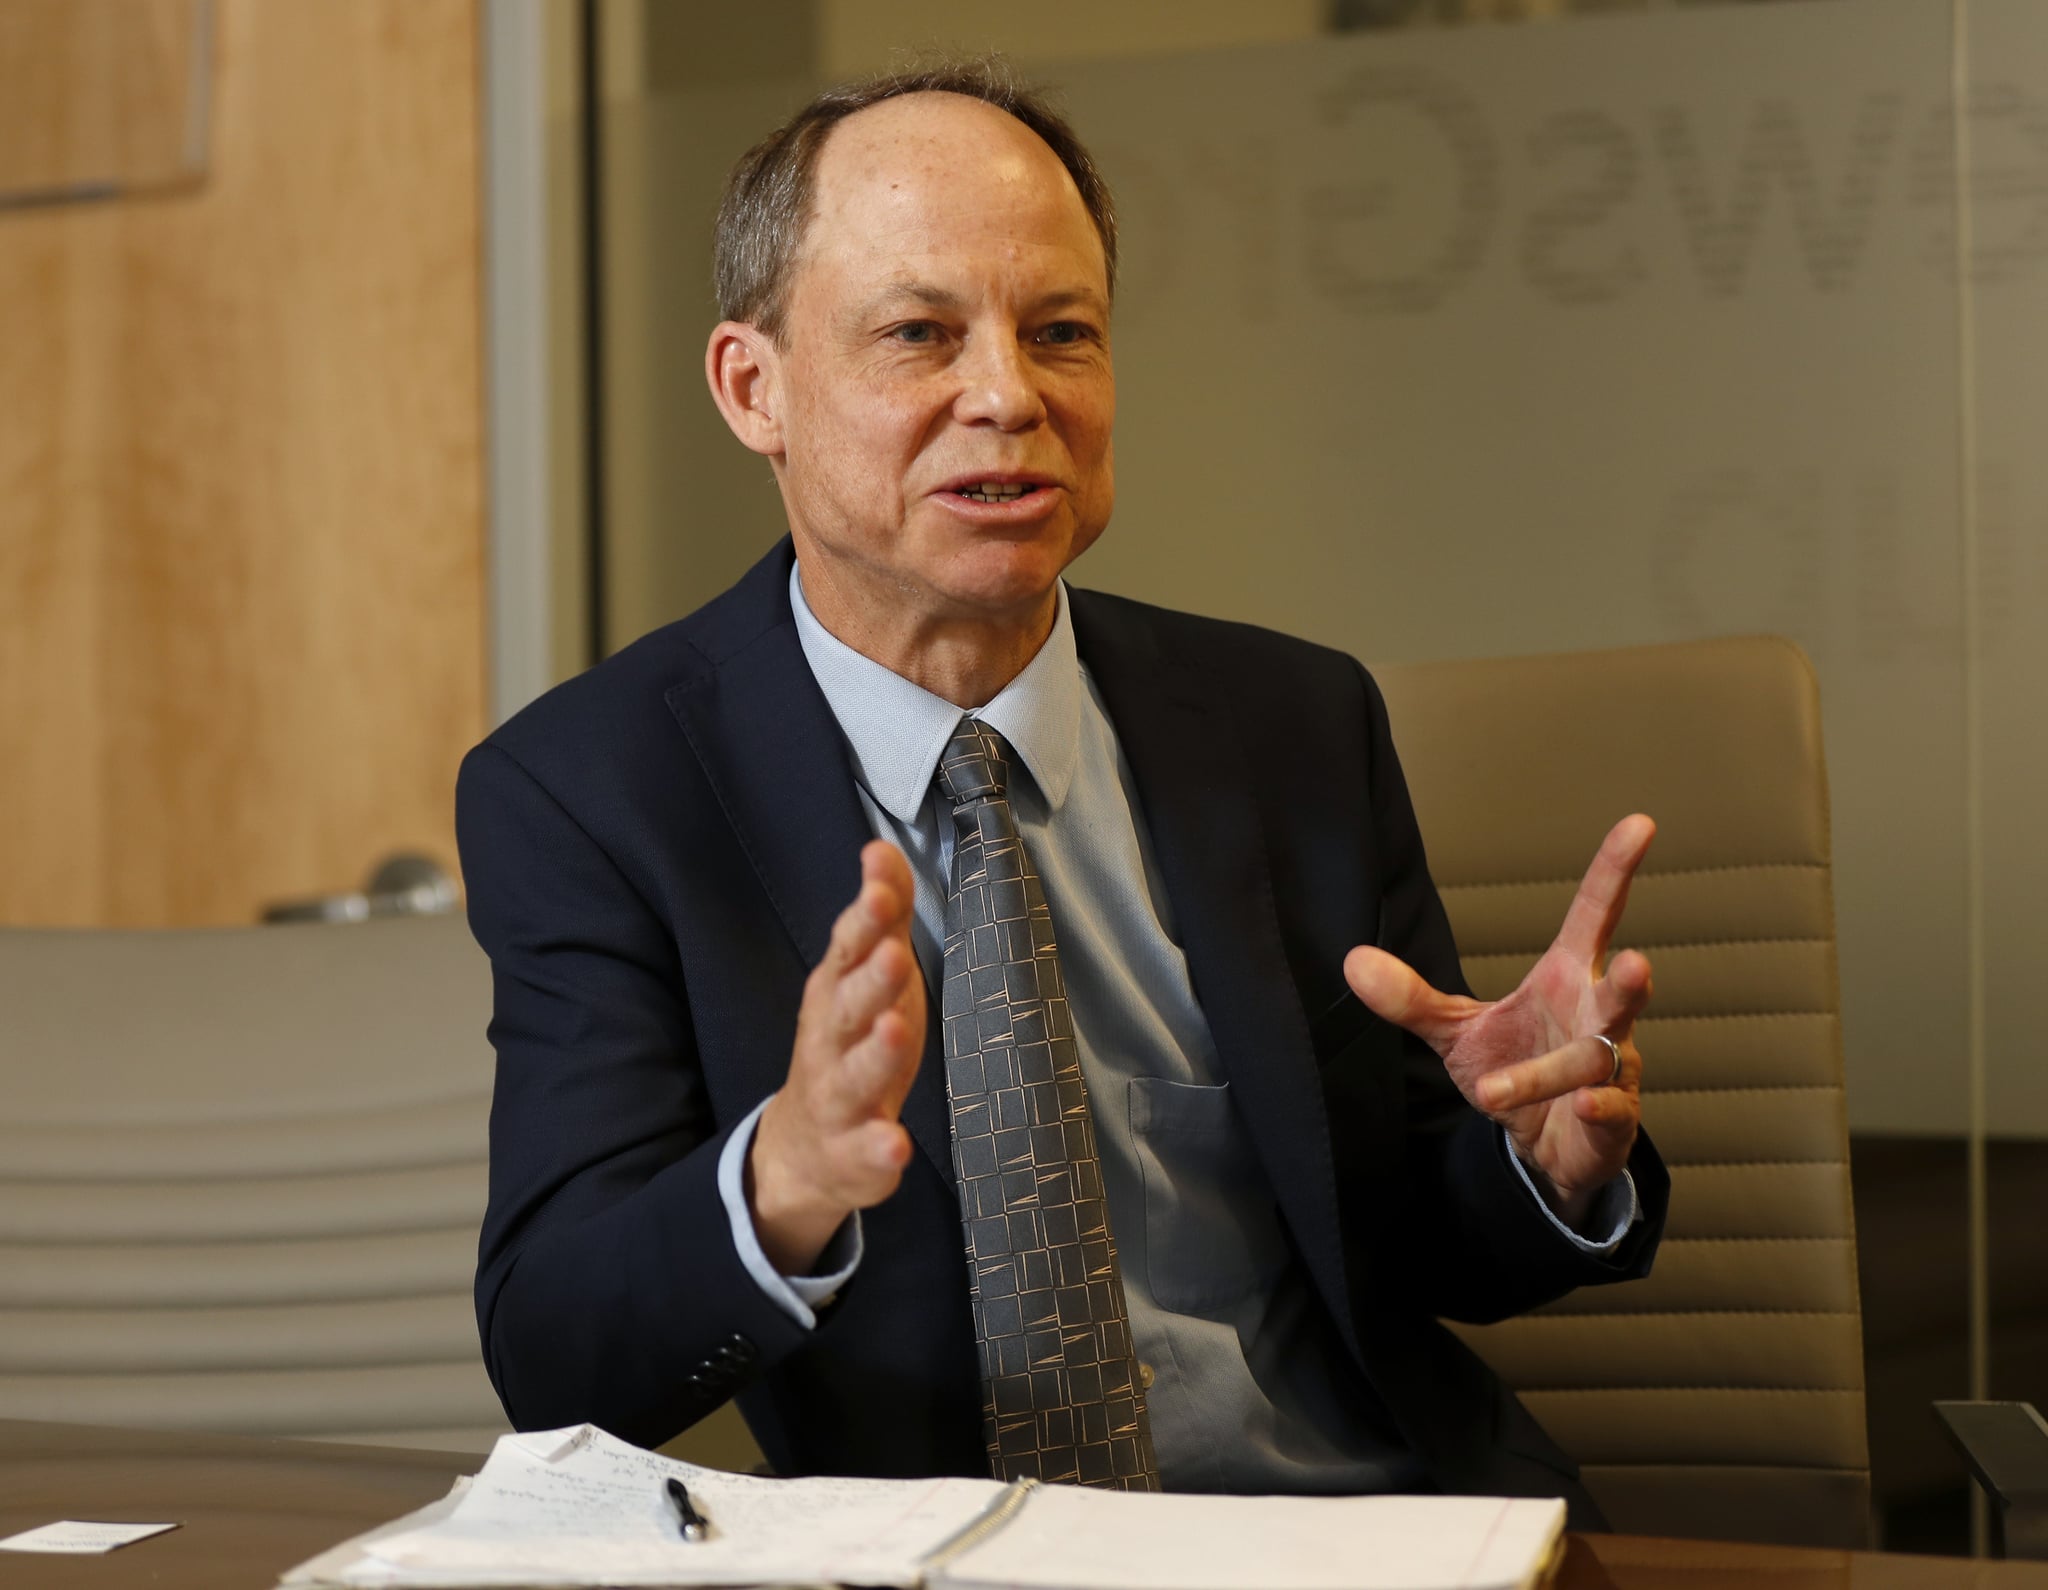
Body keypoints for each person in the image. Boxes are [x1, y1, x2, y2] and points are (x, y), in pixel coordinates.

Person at [457, 59, 1667, 1523]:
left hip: (1358, 1534)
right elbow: (557, 1356)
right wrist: (780, 1178)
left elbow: (1414, 1236)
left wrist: (1540, 1160)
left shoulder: (1293, 722)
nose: (1008, 395)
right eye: (919, 333)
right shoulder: (592, 789)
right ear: (752, 388)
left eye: (1062, 332)